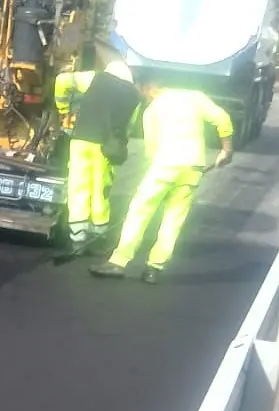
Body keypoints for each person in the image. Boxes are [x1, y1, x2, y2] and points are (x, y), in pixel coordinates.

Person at [89, 80, 233, 284]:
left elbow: (151, 150)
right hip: (193, 167)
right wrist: (227, 150)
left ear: (150, 88)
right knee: (173, 219)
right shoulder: (195, 97)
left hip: (165, 166)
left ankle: (119, 262)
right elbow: (223, 118)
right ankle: (153, 269)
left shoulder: (152, 110)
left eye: (144, 91)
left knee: (140, 210)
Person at [55, 59, 142, 260]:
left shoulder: (95, 78)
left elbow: (62, 80)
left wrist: (63, 109)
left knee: (78, 189)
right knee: (100, 191)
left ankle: (77, 240)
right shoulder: (135, 96)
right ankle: (97, 239)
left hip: (81, 142)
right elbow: (128, 127)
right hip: (106, 148)